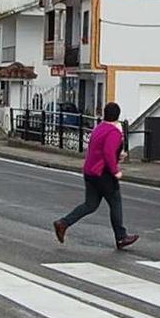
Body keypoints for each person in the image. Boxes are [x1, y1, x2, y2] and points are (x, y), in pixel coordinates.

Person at [52, 102, 139, 250]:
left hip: (90, 171)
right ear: (118, 116)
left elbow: (99, 150)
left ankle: (63, 223)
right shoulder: (114, 132)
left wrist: (118, 157)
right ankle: (121, 237)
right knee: (115, 202)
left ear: (105, 114)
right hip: (103, 173)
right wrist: (115, 171)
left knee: (90, 205)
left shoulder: (98, 128)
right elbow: (108, 152)